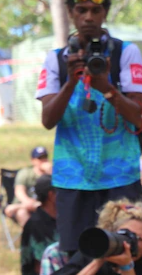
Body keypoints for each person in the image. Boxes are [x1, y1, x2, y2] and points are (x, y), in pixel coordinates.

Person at [36, 0, 142, 254]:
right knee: (77, 255)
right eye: (81, 10)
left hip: (121, 178)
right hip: (73, 180)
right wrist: (71, 82)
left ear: (105, 12)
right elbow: (48, 120)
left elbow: (138, 116)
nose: (88, 18)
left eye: (96, 10)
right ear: (71, 13)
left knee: (128, 251)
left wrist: (106, 87)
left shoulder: (125, 53)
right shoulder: (56, 59)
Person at [5, 146, 53, 227]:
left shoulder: (50, 175)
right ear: (33, 160)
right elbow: (19, 191)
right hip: (26, 206)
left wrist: (51, 172)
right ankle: (31, 237)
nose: (43, 161)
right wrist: (27, 202)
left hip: (45, 207)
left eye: (45, 157)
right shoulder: (25, 173)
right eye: (39, 158)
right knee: (21, 213)